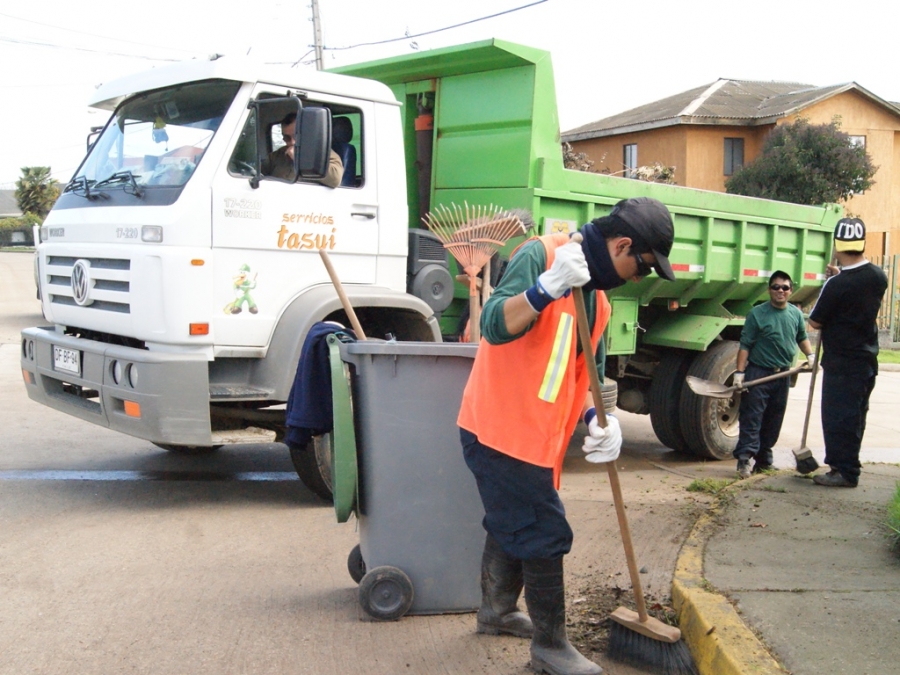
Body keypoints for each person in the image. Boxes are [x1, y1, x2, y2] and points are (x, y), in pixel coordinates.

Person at [458, 197, 675, 675]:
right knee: (543, 530)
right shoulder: (542, 256)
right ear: (621, 245)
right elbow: (493, 325)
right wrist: (543, 290)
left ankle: (496, 610)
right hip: (498, 430)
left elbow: (589, 374)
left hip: (538, 442)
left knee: (511, 519)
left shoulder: (595, 301)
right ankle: (550, 646)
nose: (639, 278)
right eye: (641, 266)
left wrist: (602, 418)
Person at [808, 217, 887, 487]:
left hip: (841, 363)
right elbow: (857, 285)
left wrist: (833, 282)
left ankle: (843, 471)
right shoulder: (879, 277)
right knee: (855, 417)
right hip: (866, 360)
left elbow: (815, 321)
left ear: (838, 246)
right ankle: (849, 465)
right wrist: (840, 276)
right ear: (862, 243)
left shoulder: (836, 285)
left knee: (837, 418)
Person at [732, 271, 815, 478]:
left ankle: (763, 461)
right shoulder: (757, 314)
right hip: (759, 374)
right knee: (752, 418)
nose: (780, 291)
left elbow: (801, 337)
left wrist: (811, 355)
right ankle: (744, 461)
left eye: (785, 287)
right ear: (769, 290)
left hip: (783, 375)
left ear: (790, 291)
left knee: (774, 419)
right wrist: (740, 373)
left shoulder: (795, 314)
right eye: (776, 287)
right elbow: (745, 344)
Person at [262, 113, 343, 188]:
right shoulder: (277, 156)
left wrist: (302, 159)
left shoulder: (323, 153)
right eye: (287, 138)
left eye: (296, 137)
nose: (292, 142)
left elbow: (335, 180)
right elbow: (259, 175)